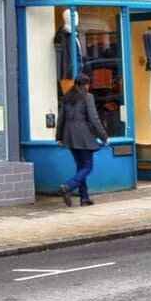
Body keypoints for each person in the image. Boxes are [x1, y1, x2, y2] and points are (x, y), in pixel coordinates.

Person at [55, 72, 106, 207]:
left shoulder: (67, 97)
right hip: (84, 136)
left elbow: (61, 119)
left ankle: (84, 197)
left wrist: (59, 137)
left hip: (69, 137)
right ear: (87, 85)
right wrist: (104, 136)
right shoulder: (87, 97)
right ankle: (68, 186)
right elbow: (94, 119)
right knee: (88, 166)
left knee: (80, 166)